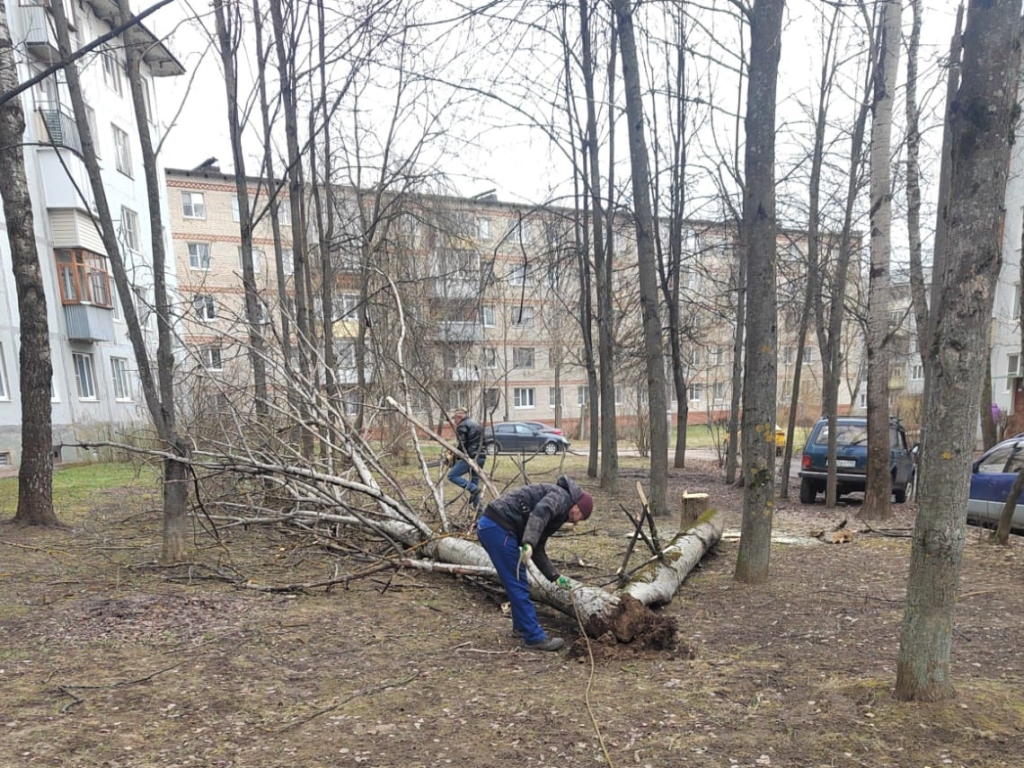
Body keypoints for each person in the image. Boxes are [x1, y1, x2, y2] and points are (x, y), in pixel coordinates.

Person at [476, 475, 594, 652]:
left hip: (495, 527)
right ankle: (534, 637)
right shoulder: (561, 497)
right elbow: (540, 511)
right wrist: (528, 542)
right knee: (517, 583)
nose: (576, 522)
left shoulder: (560, 513)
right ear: (577, 506)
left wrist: (554, 576)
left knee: (518, 580)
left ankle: (521, 627)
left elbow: (538, 548)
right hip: (498, 527)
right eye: (580, 516)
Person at [447, 408, 486, 510]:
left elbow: (462, 444)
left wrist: (454, 454)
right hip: (481, 456)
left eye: (454, 419)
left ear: (459, 417)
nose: (454, 421)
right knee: (475, 480)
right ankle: (479, 509)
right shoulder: (476, 424)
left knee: (452, 475)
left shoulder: (463, 426)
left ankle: (473, 489)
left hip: (471, 457)